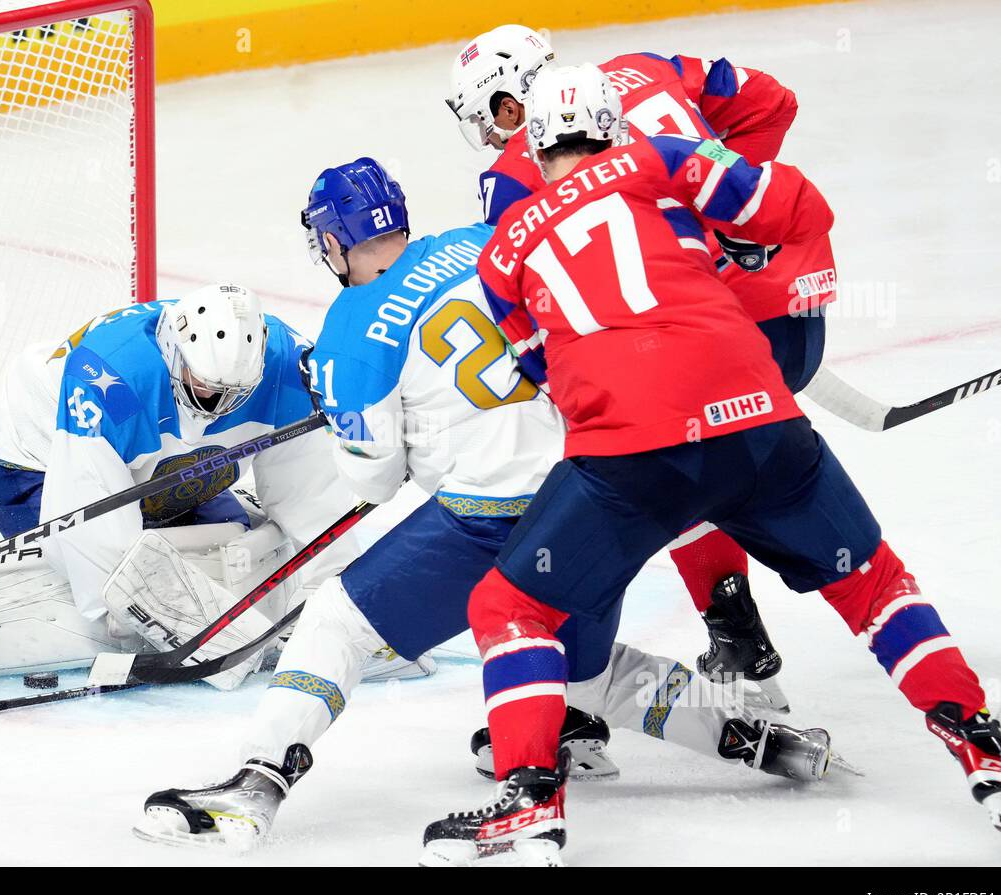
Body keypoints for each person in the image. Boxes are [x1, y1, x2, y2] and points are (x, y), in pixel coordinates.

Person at [421, 64, 1001, 866]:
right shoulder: (664, 160)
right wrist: (722, 235)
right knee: (875, 585)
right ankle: (989, 759)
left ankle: (532, 803)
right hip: (759, 420)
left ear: (532, 143)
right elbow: (803, 208)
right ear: (612, 125)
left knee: (512, 609)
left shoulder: (504, 247)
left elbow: (540, 370)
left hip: (630, 452)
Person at [132, 158, 835, 851]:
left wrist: (351, 406)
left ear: (330, 242)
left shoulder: (352, 323)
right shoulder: (489, 240)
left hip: (489, 515)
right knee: (585, 671)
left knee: (336, 625)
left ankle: (254, 787)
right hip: (602, 490)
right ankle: (763, 741)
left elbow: (374, 481)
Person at [446, 24, 839, 694]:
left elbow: (527, 289)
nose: (490, 137)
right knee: (711, 458)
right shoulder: (645, 65)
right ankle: (822, 606)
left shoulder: (511, 174)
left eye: (488, 120)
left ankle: (698, 639)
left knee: (648, 457)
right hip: (797, 311)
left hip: (696, 346)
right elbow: (771, 103)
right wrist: (714, 213)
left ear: (513, 108)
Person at [0, 283, 430, 690]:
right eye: (204, 390)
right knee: (100, 593)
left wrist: (354, 616)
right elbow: (93, 533)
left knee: (243, 556)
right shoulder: (112, 378)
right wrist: (132, 620)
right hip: (34, 468)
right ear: (175, 351)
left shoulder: (280, 363)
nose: (217, 404)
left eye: (233, 396)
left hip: (165, 469)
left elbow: (313, 504)